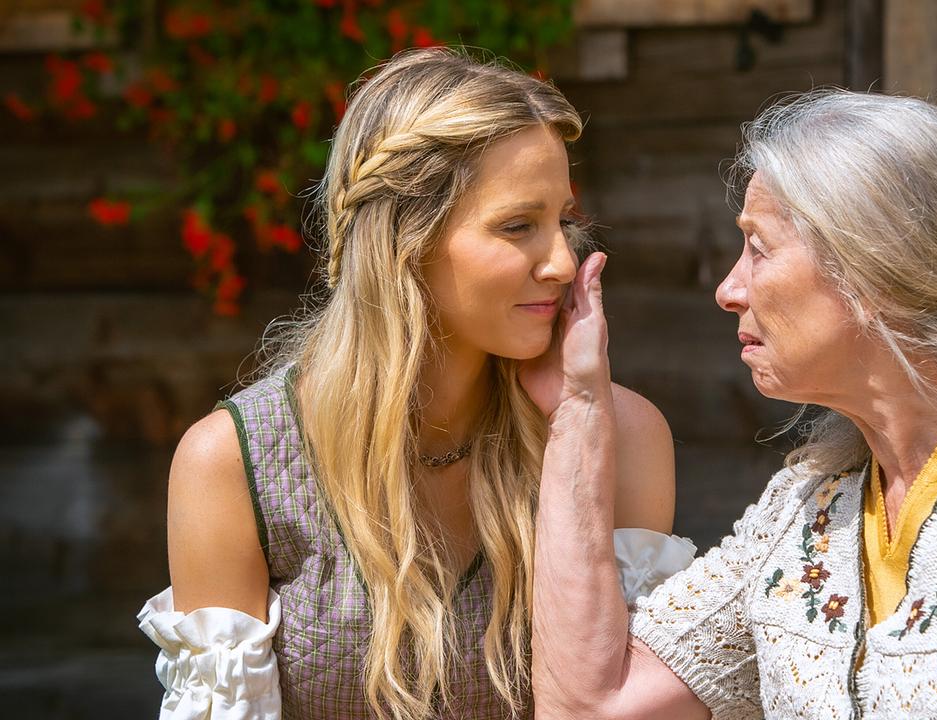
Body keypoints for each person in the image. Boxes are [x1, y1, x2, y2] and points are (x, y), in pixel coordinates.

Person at [527, 89, 937, 719]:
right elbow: (594, 705)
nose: (730, 289)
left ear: (871, 270)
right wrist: (579, 412)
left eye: (759, 248)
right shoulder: (808, 508)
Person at [136, 48, 693, 720]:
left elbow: (631, 708)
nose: (560, 261)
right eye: (519, 226)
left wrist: (578, 427)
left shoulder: (623, 435)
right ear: (405, 240)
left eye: (564, 222)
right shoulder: (231, 464)